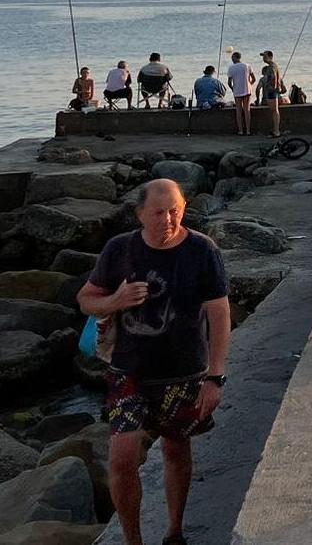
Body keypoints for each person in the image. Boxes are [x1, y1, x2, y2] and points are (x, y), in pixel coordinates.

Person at [77, 179, 231, 545]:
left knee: (176, 449)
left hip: (184, 372)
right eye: (159, 213)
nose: (169, 219)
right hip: (128, 371)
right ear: (139, 215)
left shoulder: (202, 250)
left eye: (175, 210)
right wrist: (116, 300)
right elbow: (87, 299)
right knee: (122, 458)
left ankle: (174, 531)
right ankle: (133, 541)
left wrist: (215, 377)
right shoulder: (120, 250)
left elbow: (219, 314)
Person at [227, 51, 256, 136]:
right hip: (247, 91)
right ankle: (248, 131)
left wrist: (233, 88)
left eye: (232, 58)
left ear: (235, 57)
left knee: (238, 111)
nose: (232, 59)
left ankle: (240, 131)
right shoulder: (247, 66)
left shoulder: (231, 68)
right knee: (247, 110)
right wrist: (249, 85)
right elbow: (253, 78)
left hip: (237, 91)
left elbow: (229, 82)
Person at [260, 50, 282, 137]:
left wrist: (273, 88)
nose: (263, 58)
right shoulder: (272, 66)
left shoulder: (272, 66)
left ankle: (276, 131)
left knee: (274, 111)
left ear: (270, 57)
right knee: (274, 111)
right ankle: (275, 130)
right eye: (263, 56)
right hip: (272, 90)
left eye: (265, 56)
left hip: (271, 91)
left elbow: (273, 77)